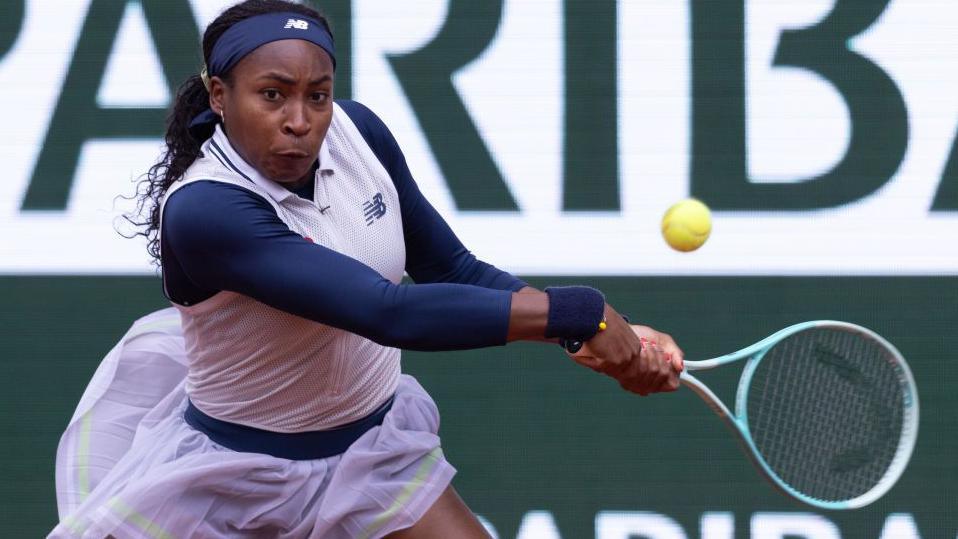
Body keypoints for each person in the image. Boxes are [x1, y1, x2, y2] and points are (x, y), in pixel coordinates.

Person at [49, 1, 683, 537]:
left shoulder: (359, 135)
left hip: (371, 452)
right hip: (232, 478)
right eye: (272, 95)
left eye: (316, 96)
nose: (300, 121)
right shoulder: (207, 209)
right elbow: (387, 311)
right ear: (220, 96)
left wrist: (592, 332)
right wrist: (579, 312)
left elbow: (448, 267)